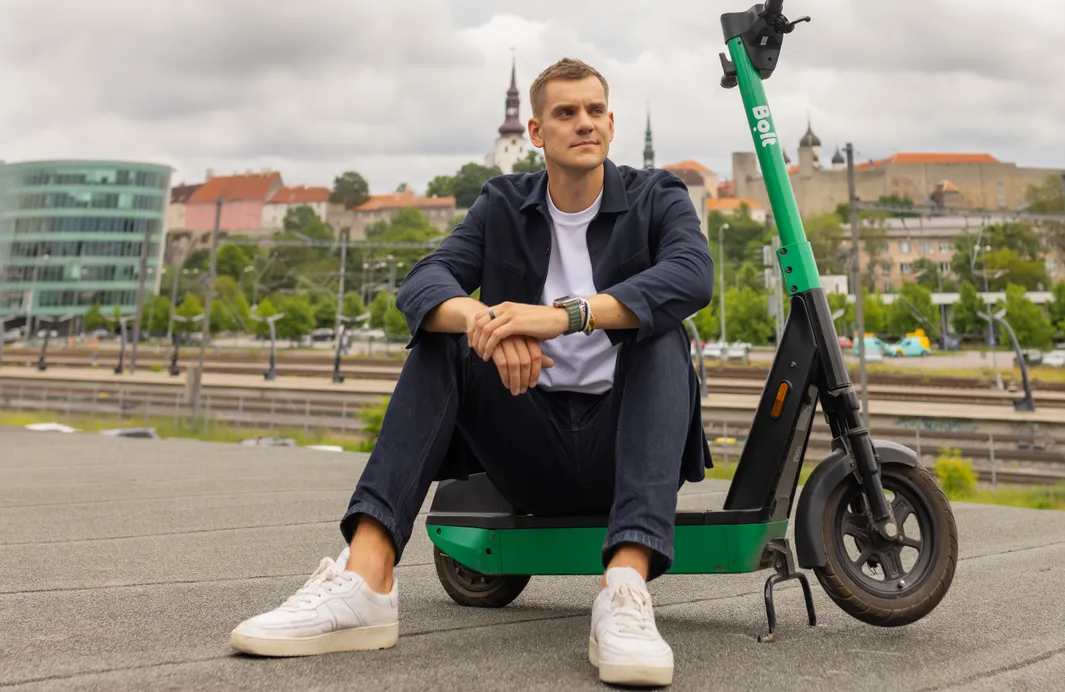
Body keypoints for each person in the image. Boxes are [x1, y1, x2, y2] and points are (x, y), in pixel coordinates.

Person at [230, 58, 715, 687]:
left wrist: (561, 317)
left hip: (626, 454)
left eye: (595, 110)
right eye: (566, 112)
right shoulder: (502, 203)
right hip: (528, 449)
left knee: (661, 333)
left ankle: (624, 592)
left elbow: (691, 275)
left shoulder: (657, 196)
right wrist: (488, 323)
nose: (584, 123)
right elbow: (423, 282)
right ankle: (365, 579)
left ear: (612, 123)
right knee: (445, 338)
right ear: (536, 132)